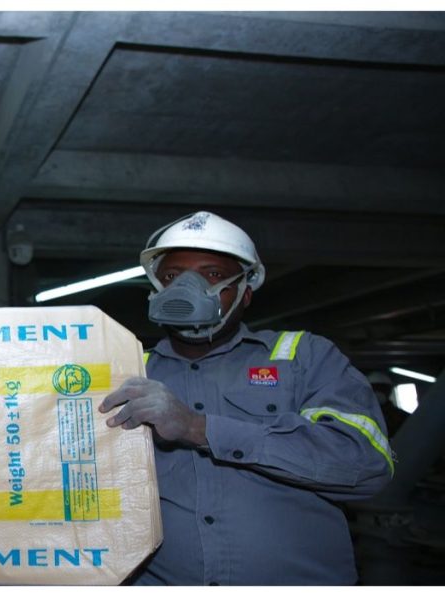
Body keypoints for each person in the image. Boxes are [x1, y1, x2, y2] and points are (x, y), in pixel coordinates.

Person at [99, 211, 394, 585]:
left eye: (213, 274)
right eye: (172, 277)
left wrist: (198, 428)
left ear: (246, 290)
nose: (186, 288)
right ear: (156, 288)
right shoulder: (128, 371)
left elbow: (364, 466)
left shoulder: (303, 357)